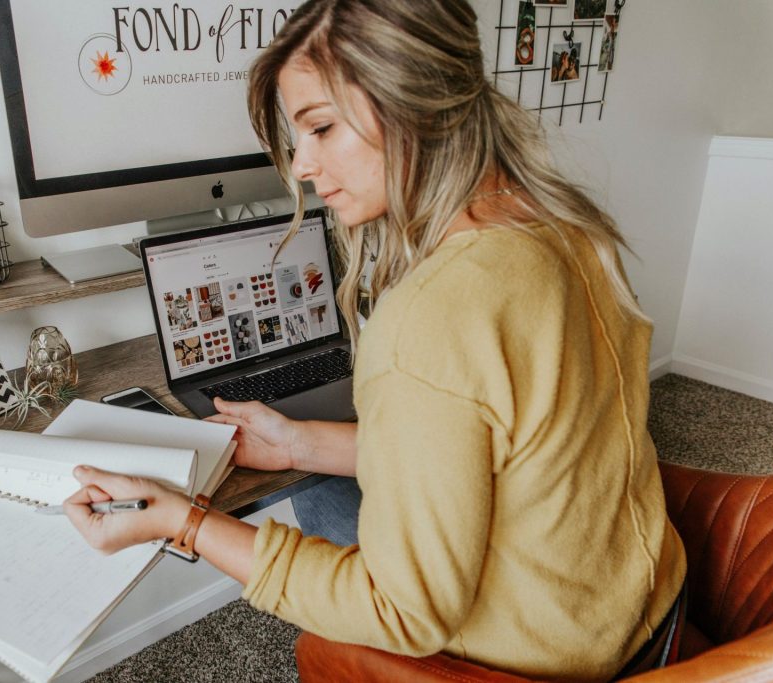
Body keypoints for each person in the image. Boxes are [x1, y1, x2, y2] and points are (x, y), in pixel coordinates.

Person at [63, 0, 686, 680]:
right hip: (645, 602)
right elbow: (498, 445)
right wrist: (302, 442)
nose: (301, 165)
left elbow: (405, 612)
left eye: (322, 128)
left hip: (557, 655)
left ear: (417, 102)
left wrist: (184, 521)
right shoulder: (568, 224)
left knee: (314, 513)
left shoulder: (429, 316)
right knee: (319, 489)